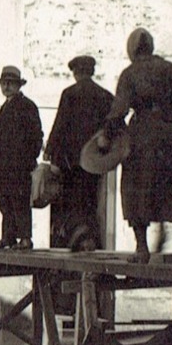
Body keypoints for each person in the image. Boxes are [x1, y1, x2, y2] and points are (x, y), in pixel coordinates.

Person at [103, 27, 172, 261]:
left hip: (142, 132)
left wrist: (107, 134)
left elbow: (119, 110)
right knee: (165, 181)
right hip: (169, 129)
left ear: (132, 50)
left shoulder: (130, 73)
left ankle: (142, 246)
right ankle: (163, 227)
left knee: (135, 187)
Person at [44, 55, 113, 251]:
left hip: (71, 161)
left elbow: (60, 125)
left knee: (73, 201)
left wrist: (50, 151)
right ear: (91, 71)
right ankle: (91, 240)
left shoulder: (69, 93)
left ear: (75, 73)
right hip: (96, 160)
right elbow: (113, 125)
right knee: (92, 199)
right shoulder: (105, 95)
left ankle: (79, 240)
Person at [0, 65, 44, 251]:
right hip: (3, 166)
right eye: (4, 83)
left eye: (10, 84)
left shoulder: (27, 106)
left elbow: (37, 136)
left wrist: (27, 160)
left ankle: (25, 239)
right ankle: (8, 238)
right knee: (5, 202)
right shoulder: (5, 107)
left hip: (19, 166)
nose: (6, 87)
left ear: (18, 85)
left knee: (20, 201)